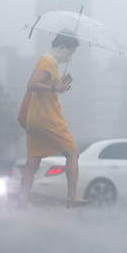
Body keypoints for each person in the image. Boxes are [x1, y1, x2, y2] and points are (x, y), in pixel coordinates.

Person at [17, 33, 92, 209]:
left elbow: (45, 85)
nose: (70, 57)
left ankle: (21, 203)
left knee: (32, 163)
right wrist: (55, 87)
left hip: (34, 119)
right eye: (70, 53)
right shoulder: (48, 62)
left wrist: (58, 83)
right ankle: (72, 197)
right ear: (62, 48)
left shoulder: (48, 62)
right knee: (73, 154)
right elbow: (32, 84)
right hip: (47, 118)